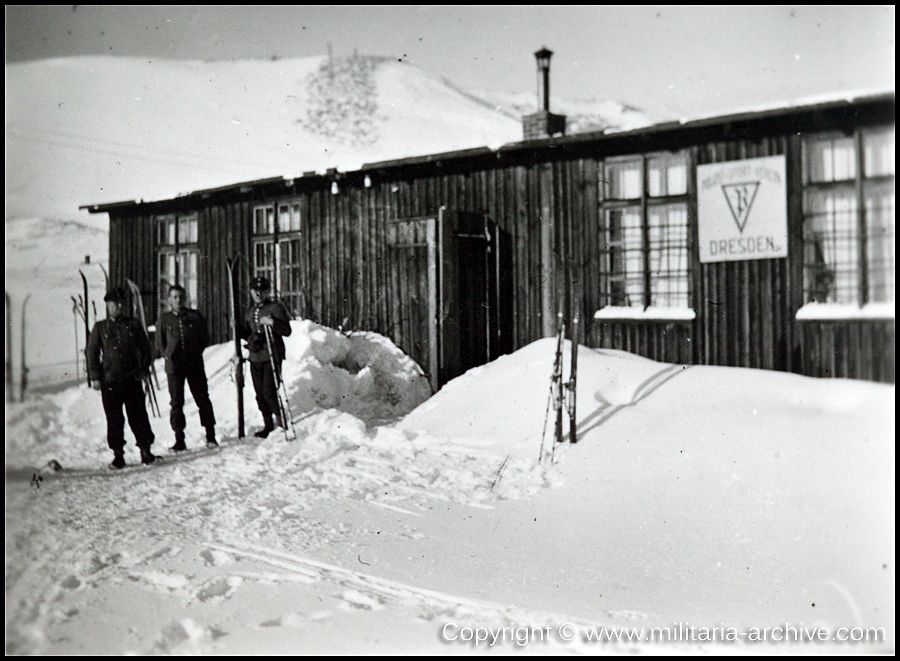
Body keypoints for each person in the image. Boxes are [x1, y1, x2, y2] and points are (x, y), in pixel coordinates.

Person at [87, 287, 158, 468]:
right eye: (114, 304)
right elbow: (92, 353)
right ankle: (118, 455)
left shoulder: (133, 325)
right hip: (110, 381)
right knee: (115, 419)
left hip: (131, 379)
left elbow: (145, 348)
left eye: (120, 303)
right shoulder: (100, 328)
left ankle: (145, 451)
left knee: (138, 416)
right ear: (108, 306)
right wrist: (95, 376)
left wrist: (143, 369)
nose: (118, 306)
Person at [156, 284, 218, 451]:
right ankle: (179, 439)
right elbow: (160, 344)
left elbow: (204, 338)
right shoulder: (164, 319)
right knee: (176, 402)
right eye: (174, 297)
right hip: (174, 367)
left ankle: (211, 435)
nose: (178, 300)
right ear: (169, 300)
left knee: (202, 399)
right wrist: (170, 355)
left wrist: (194, 353)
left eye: (181, 297)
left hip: (194, 364)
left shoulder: (195, 317)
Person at [241, 276, 292, 438]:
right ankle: (268, 424)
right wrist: (238, 329)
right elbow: (249, 333)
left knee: (269, 391)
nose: (258, 294)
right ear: (250, 292)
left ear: (268, 292)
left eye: (262, 291)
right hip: (255, 356)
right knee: (259, 393)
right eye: (255, 291)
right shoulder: (251, 311)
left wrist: (272, 323)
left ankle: (281, 420)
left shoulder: (276, 308)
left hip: (272, 355)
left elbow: (287, 331)